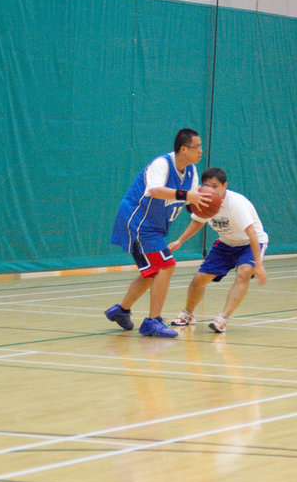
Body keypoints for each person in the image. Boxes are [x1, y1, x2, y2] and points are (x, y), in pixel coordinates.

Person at [105, 128, 210, 338]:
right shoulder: (162, 164)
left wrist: (207, 204)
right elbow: (155, 191)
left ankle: (121, 310)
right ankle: (152, 322)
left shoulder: (191, 171)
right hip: (138, 221)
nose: (201, 150)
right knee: (166, 265)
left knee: (153, 271)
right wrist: (187, 195)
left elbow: (191, 202)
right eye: (197, 147)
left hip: (155, 226)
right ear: (183, 149)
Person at [168, 167, 268, 333]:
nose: (211, 190)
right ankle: (188, 313)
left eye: (215, 186)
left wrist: (258, 264)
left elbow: (252, 234)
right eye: (207, 186)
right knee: (199, 279)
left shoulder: (235, 203)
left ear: (224, 186)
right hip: (226, 243)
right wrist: (180, 241)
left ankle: (222, 318)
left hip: (249, 243)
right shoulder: (204, 200)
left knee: (244, 272)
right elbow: (198, 221)